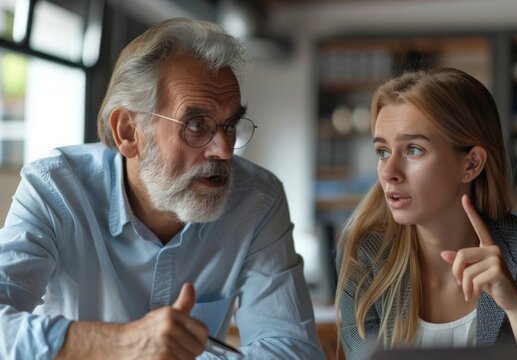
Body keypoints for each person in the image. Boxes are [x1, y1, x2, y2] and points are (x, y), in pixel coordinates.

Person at [0, 17, 324, 359]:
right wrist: (124, 344)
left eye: (230, 126)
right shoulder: (55, 191)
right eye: (197, 125)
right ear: (128, 131)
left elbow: (294, 351)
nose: (225, 150)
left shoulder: (257, 200)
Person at [335, 68, 517, 359]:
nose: (389, 172)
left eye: (414, 150)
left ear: (471, 164)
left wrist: (515, 308)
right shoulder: (364, 257)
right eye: (382, 151)